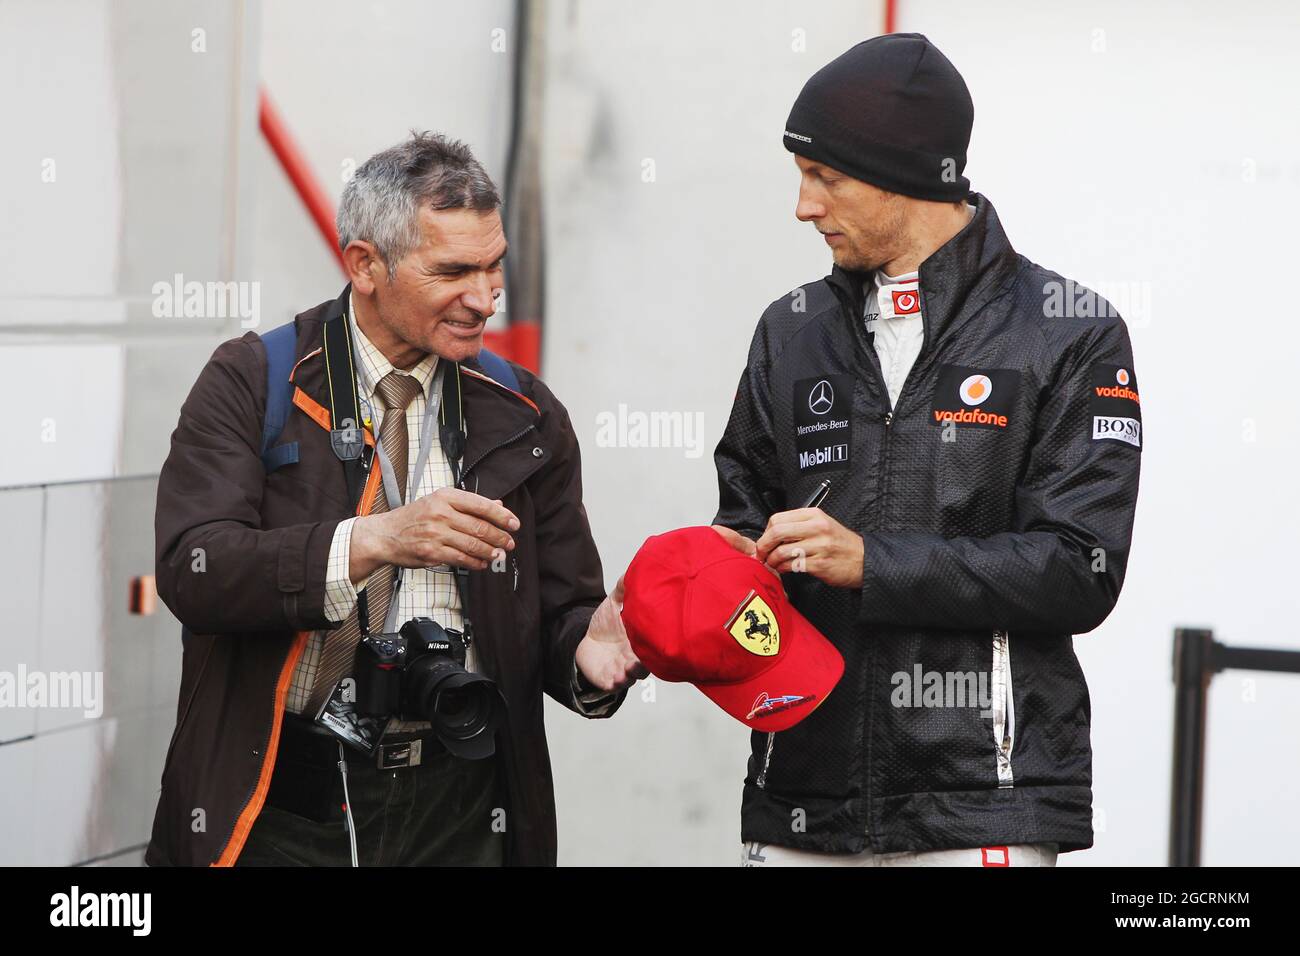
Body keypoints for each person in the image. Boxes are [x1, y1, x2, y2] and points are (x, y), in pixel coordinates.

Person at [146, 132, 643, 867]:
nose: (484, 298)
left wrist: (586, 652)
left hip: (465, 798)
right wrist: (376, 540)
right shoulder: (250, 381)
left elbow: (561, 612)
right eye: (453, 271)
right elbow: (195, 569)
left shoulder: (528, 413)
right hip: (284, 803)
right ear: (364, 265)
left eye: (494, 264)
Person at [711, 34, 1142, 866]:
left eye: (825, 178)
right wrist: (704, 580)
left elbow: (1079, 569)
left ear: (905, 176)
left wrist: (875, 563)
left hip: (981, 808)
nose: (804, 206)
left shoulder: (1070, 329)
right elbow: (744, 520)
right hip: (800, 799)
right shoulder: (790, 328)